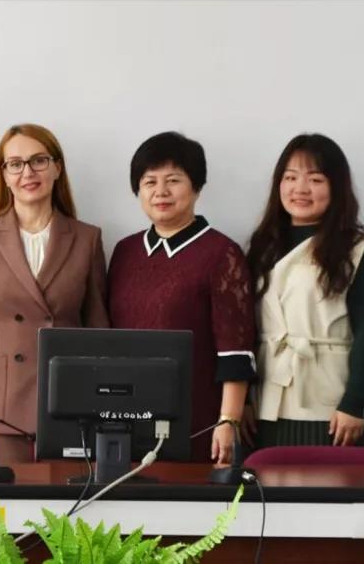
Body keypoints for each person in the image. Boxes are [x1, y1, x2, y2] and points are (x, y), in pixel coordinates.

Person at [0, 124, 109, 462]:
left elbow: (99, 337)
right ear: (4, 175)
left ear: (57, 167)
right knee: (1, 498)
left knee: (65, 498)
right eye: (15, 164)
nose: (28, 172)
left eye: (38, 160)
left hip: (67, 402)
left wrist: (101, 410)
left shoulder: (87, 238)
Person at [107, 132, 256, 464]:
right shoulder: (125, 251)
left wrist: (228, 421)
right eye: (150, 182)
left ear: (197, 187)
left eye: (173, 180)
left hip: (197, 416)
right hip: (126, 414)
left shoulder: (221, 253)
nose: (161, 191)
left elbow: (236, 350)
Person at [245, 134, 364, 448]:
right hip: (267, 402)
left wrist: (354, 403)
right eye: (290, 177)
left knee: (332, 480)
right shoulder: (263, 246)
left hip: (331, 407)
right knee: (267, 479)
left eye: (315, 179)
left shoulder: (358, 251)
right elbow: (246, 329)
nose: (300, 188)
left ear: (336, 187)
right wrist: (243, 400)